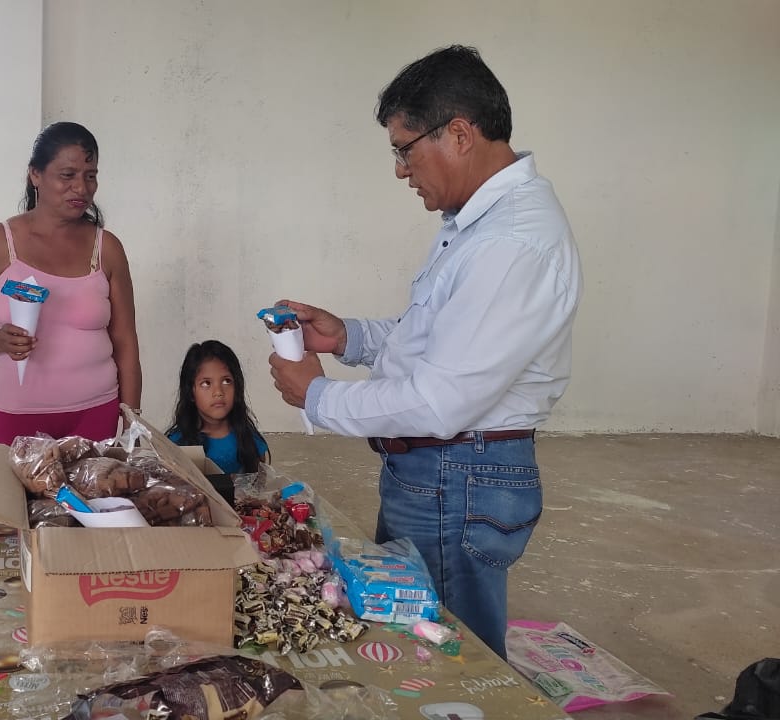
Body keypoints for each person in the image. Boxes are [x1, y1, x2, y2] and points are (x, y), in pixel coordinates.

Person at [268, 45, 582, 658]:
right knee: (415, 640)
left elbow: (440, 401)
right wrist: (349, 336)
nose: (400, 171)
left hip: (457, 477)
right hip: (441, 474)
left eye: (404, 149)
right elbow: (439, 339)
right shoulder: (479, 224)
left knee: (447, 657)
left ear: (459, 134)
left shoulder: (511, 242)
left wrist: (318, 395)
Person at [0, 122, 141, 444]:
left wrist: (133, 421)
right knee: (14, 482)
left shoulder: (106, 249)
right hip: (18, 416)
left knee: (97, 481)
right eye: (67, 175)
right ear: (35, 175)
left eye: (90, 175)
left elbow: (125, 340)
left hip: (97, 412)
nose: (81, 187)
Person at [166, 340, 269, 474]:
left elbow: (259, 482)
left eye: (226, 381)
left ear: (237, 387)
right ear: (191, 393)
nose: (218, 392)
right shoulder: (177, 445)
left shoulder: (250, 441)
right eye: (206, 383)